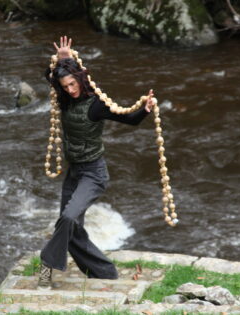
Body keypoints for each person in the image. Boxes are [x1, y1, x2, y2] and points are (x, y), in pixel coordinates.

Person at [38, 36, 156, 289]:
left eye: (72, 83)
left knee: (67, 219)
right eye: (65, 85)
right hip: (74, 173)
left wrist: (145, 108)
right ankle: (104, 273)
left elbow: (129, 119)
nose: (70, 89)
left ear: (80, 79)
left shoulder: (96, 105)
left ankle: (46, 266)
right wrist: (64, 58)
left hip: (93, 173)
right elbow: (50, 77)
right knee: (72, 231)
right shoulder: (65, 99)